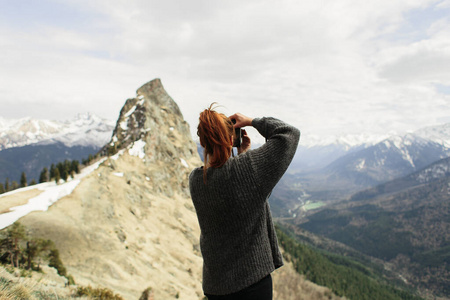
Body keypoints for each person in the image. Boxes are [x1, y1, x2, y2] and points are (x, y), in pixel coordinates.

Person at [189, 103, 300, 299]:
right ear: (231, 138)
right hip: (252, 284)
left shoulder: (196, 180)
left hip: (216, 287)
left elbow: (249, 198)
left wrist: (241, 156)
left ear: (203, 143)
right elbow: (289, 134)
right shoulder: (246, 169)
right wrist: (252, 121)